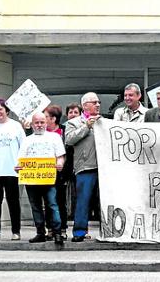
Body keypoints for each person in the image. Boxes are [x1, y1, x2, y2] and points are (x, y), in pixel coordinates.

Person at [17, 112, 66, 245]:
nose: (39, 125)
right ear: (32, 124)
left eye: (42, 122)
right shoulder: (27, 140)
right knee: (35, 206)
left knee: (52, 204)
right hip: (31, 179)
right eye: (36, 123)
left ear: (46, 123)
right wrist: (18, 168)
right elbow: (21, 160)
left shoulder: (55, 137)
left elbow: (61, 155)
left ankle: (57, 233)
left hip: (49, 178)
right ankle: (40, 233)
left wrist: (60, 163)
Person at [0, 98, 26, 241]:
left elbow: (24, 148)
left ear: (7, 110)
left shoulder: (16, 126)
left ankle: (16, 231)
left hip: (12, 170)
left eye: (1, 109)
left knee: (13, 202)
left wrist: (21, 164)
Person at [65, 92, 101, 242]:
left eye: (99, 102)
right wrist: (86, 126)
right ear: (85, 106)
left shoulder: (103, 121)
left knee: (104, 201)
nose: (98, 105)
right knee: (83, 200)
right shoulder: (74, 122)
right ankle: (79, 232)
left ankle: (107, 231)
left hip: (104, 167)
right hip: (85, 166)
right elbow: (69, 139)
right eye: (94, 102)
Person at [43, 105, 72, 240]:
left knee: (60, 201)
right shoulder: (41, 132)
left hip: (61, 172)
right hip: (45, 171)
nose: (43, 120)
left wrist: (65, 168)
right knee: (48, 202)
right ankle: (50, 228)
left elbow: (69, 152)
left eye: (46, 117)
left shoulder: (64, 131)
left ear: (53, 119)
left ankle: (62, 228)